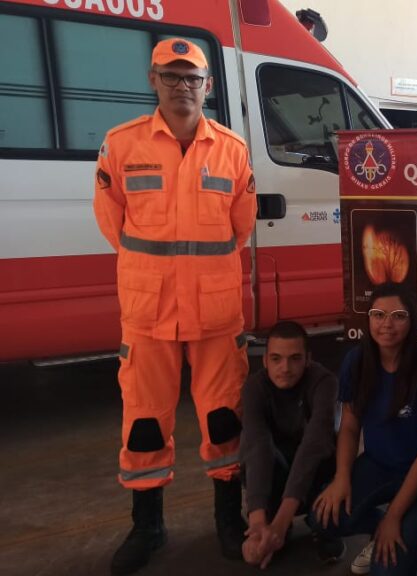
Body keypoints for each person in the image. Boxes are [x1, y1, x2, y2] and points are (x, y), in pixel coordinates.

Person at [93, 38, 256, 575]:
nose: (182, 86)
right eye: (171, 76)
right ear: (152, 79)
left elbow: (240, 226)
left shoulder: (232, 149)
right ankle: (148, 526)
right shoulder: (121, 145)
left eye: (192, 78)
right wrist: (156, 276)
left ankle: (228, 521)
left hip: (215, 315)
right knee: (143, 423)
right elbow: (113, 223)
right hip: (148, 315)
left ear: (208, 86)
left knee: (224, 419)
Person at [313, 284, 417, 576]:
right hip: (377, 465)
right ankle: (382, 527)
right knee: (323, 517)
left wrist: (394, 516)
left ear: (412, 321)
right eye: (378, 314)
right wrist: (342, 478)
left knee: (388, 570)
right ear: (368, 319)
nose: (387, 324)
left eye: (398, 315)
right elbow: (349, 426)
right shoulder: (357, 360)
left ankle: (410, 529)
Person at [239, 321, 341, 568]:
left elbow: (313, 446)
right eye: (276, 359)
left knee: (322, 455)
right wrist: (258, 525)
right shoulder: (254, 387)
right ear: (264, 361)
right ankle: (270, 523)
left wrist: (281, 524)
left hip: (317, 469)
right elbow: (257, 446)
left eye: (295, 359)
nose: (285, 368)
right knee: (257, 453)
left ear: (308, 359)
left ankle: (322, 528)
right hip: (278, 467)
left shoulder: (324, 382)